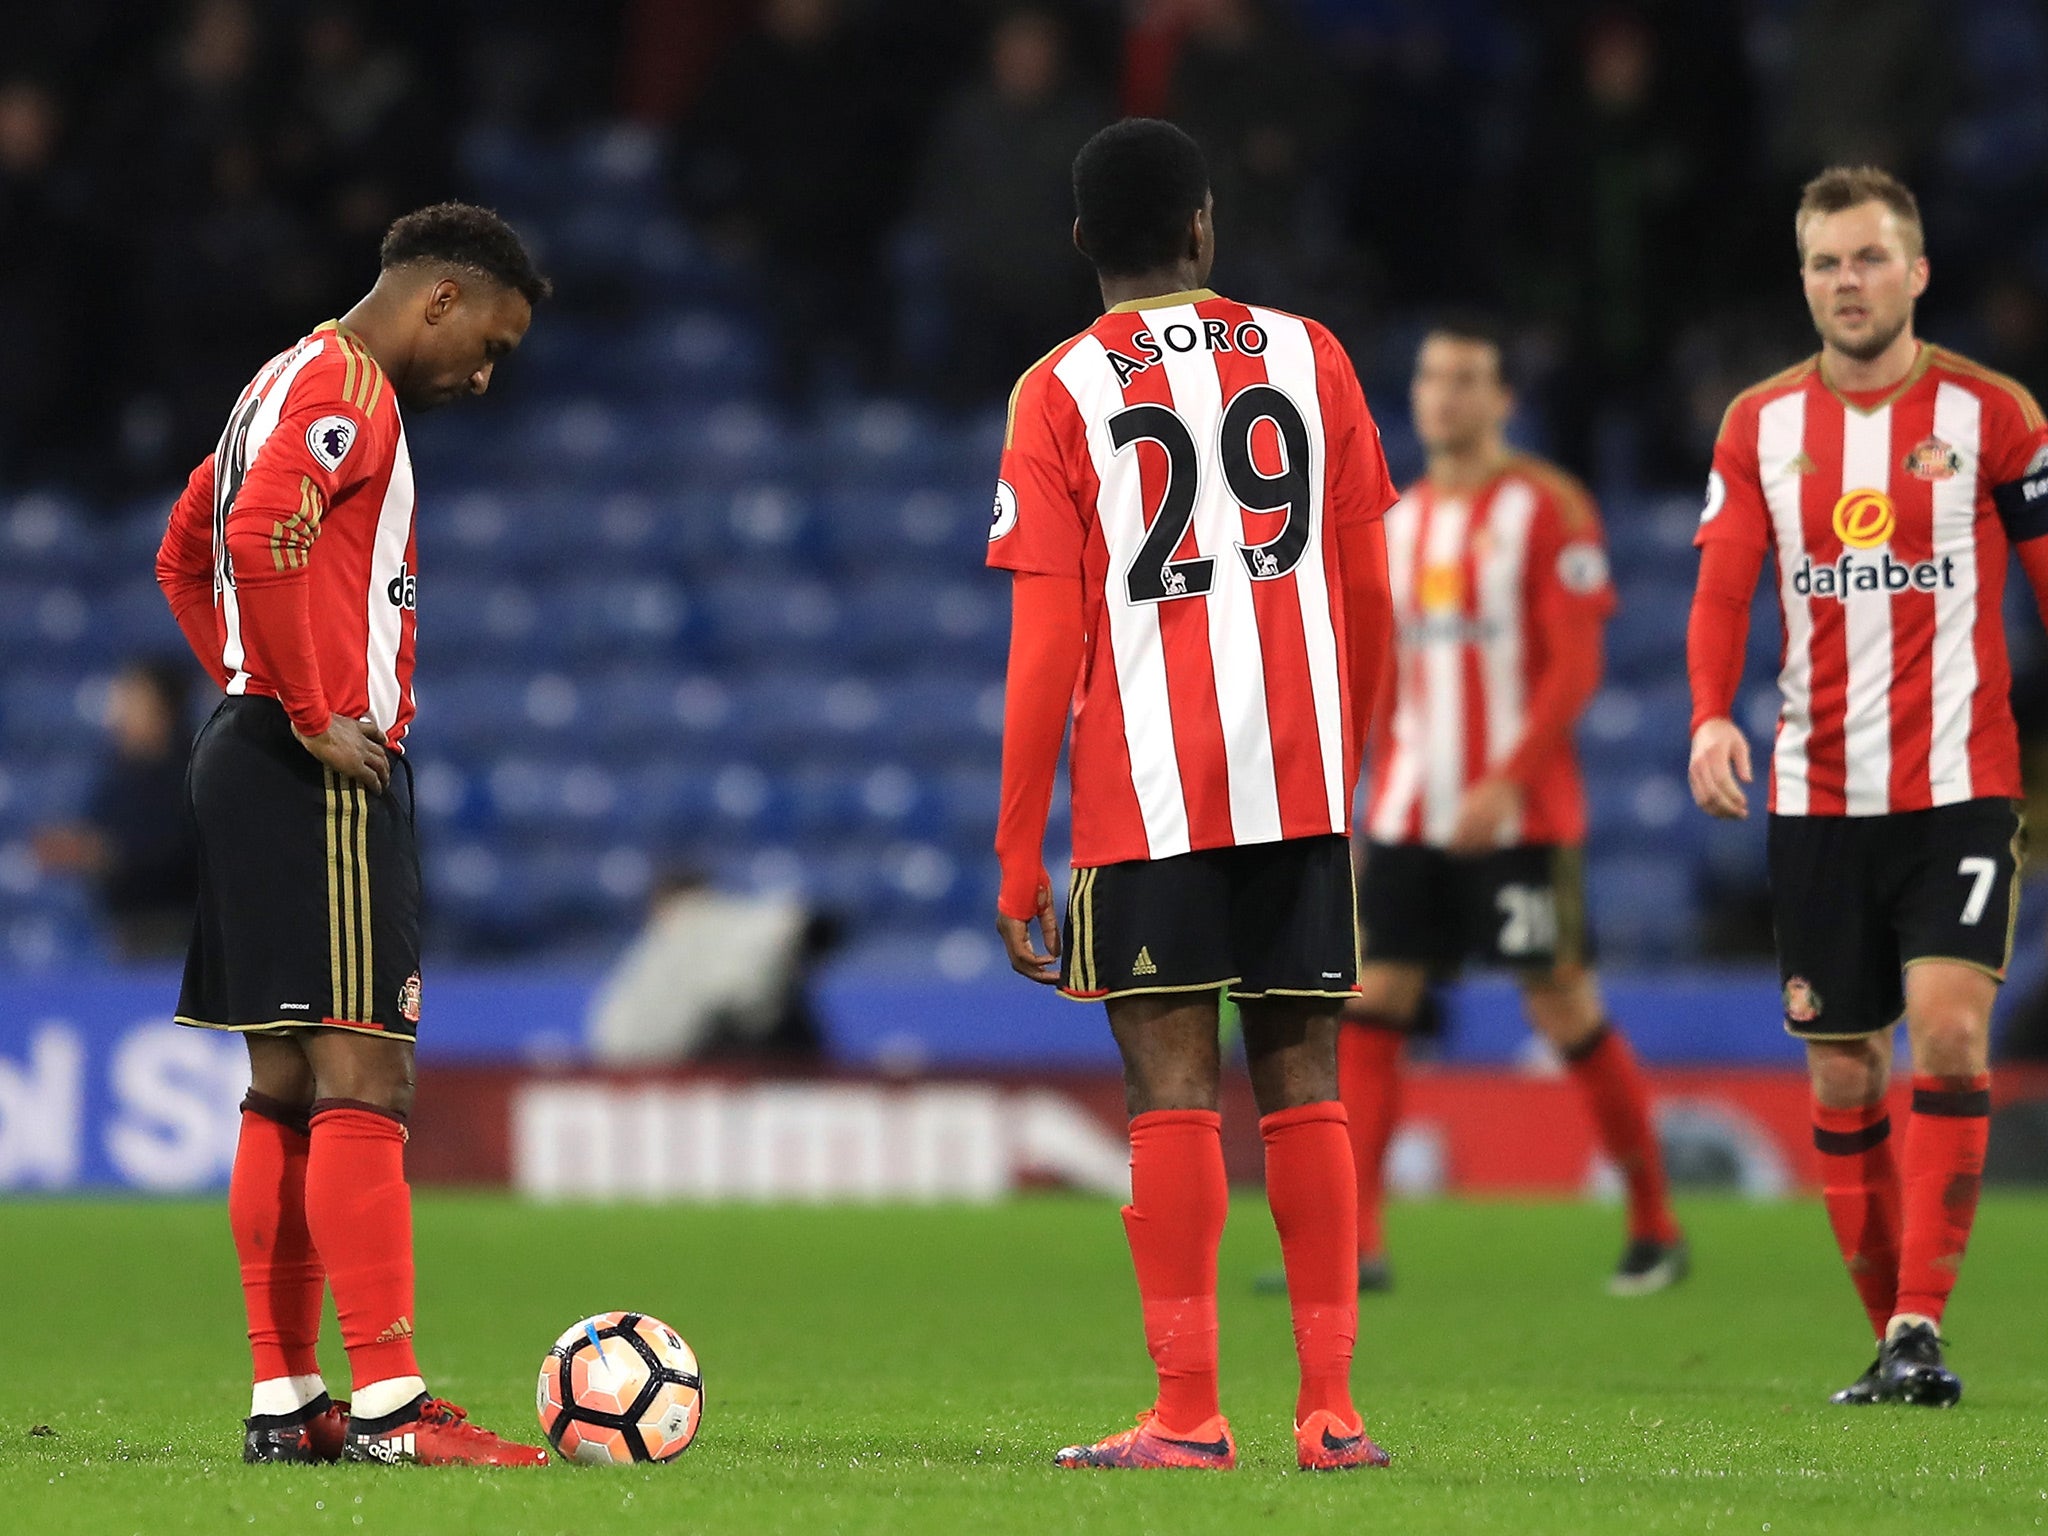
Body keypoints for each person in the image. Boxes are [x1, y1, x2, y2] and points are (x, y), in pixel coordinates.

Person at [990, 117, 1397, 1472]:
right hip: (1302, 773)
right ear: (1205, 229)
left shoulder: (1057, 390)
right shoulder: (1310, 353)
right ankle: (1331, 1413)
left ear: (1079, 247)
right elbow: (1370, 588)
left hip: (1148, 790)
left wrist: (1015, 852)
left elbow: (1045, 640)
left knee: (1172, 1089)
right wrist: (1362, 760)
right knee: (1304, 1080)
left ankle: (1186, 1416)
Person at [154, 202, 551, 1466]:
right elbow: (266, 527)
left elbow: (184, 548)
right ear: (439, 295)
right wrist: (310, 705)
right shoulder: (349, 389)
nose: (485, 374)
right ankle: (388, 1405)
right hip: (308, 759)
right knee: (366, 1071)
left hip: (249, 741)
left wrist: (241, 680)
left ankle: (290, 1400)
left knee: (281, 1086)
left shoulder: (278, 375)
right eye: (489, 341)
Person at [1687, 166, 2048, 1407]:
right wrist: (1701, 720)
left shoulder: (1994, 414)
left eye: (1868, 259)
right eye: (1825, 264)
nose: (1848, 283)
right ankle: (1894, 1341)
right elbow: (1723, 589)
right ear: (1803, 281)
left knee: (1946, 1027)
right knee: (1843, 1073)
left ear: (1917, 271)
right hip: (1816, 794)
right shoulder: (1757, 426)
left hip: (1958, 783)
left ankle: (1917, 1317)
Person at [1337, 317, 1687, 1297]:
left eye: (1465, 378)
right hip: (1409, 812)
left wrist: (1508, 777)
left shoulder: (1548, 508)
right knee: (1375, 1002)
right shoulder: (1395, 521)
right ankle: (1355, 1245)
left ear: (1502, 400)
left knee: (1558, 999)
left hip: (1519, 818)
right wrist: (1361, 802)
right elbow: (1377, 679)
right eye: (1430, 377)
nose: (1443, 395)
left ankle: (1654, 1225)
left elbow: (1573, 665)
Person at [31, 659, 199, 959]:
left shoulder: (195, 770)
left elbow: (182, 848)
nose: (119, 714)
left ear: (164, 709)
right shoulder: (118, 774)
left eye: (133, 700)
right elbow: (96, 832)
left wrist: (107, 852)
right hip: (125, 931)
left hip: (181, 933)